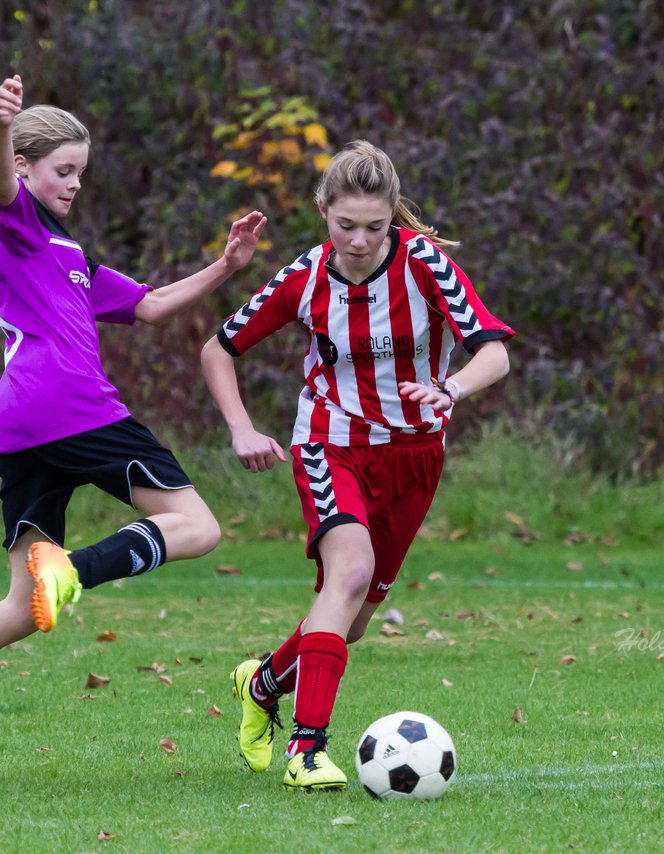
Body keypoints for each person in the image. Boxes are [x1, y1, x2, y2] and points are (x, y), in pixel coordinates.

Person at [0, 75, 266, 792]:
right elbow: (2, 183)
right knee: (197, 526)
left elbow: (152, 306)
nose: (73, 184)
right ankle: (75, 570)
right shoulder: (16, 221)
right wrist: (1, 127)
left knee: (19, 607)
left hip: (24, 423)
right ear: (30, 168)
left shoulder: (68, 252)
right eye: (63, 171)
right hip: (74, 406)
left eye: (79, 174)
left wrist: (226, 266)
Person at [201, 140, 514, 790]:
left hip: (416, 455)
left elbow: (494, 352)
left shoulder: (423, 263)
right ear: (322, 212)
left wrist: (450, 388)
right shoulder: (306, 276)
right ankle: (306, 750)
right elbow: (219, 348)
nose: (361, 240)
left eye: (375, 226)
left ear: (393, 216)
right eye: (346, 225)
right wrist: (240, 428)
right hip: (330, 442)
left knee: (357, 617)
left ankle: (261, 684)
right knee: (347, 577)